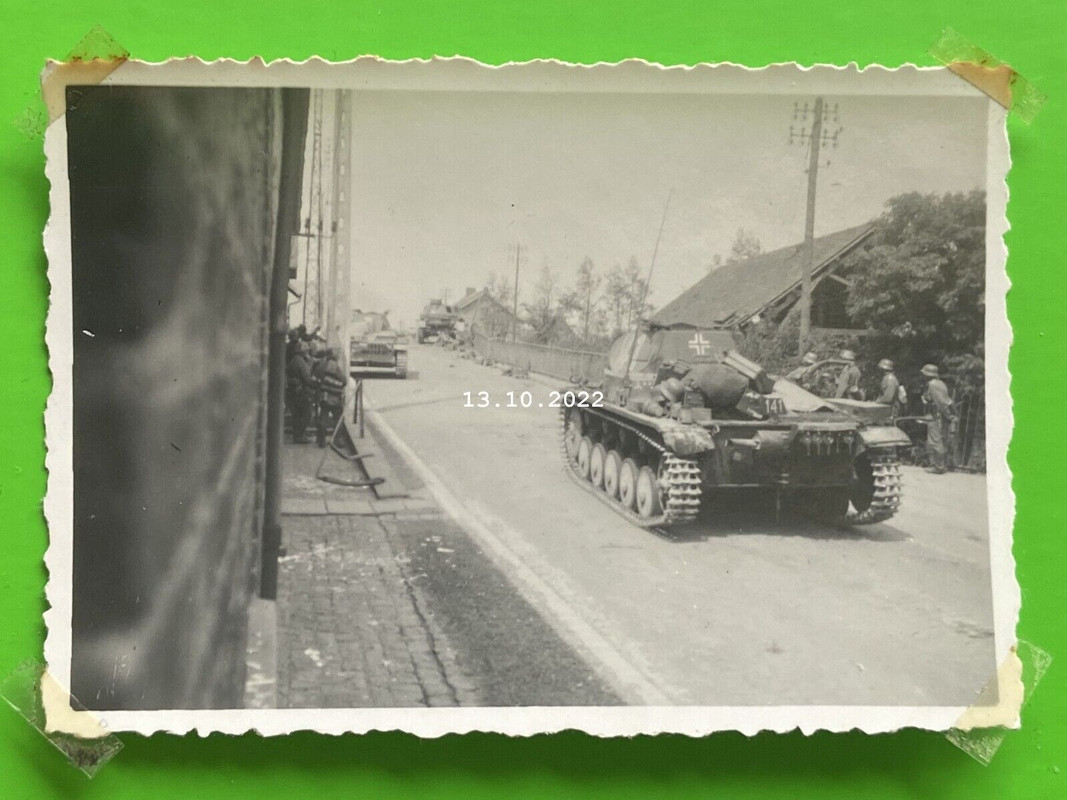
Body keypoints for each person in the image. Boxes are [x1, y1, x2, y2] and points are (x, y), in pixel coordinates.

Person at [921, 363, 957, 474]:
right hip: (940, 416)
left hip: (936, 416)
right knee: (941, 440)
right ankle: (941, 465)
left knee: (935, 440)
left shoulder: (932, 385)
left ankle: (939, 467)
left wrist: (948, 416)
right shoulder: (941, 383)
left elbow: (940, 402)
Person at [315, 347, 348, 448]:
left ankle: (321, 440)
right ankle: (338, 440)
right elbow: (344, 380)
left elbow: (316, 377)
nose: (338, 356)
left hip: (322, 395)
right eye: (337, 354)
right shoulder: (333, 365)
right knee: (338, 417)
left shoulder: (321, 365)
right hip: (333, 396)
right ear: (333, 355)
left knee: (323, 417)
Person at [286, 340, 318, 444]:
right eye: (307, 351)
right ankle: (299, 436)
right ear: (303, 352)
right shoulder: (300, 362)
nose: (308, 353)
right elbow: (306, 378)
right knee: (306, 413)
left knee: (297, 414)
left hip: (293, 390)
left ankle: (299, 434)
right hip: (299, 391)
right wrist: (316, 384)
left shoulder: (295, 359)